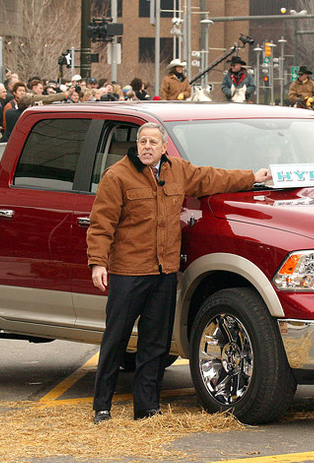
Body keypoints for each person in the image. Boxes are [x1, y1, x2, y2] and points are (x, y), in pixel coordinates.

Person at [86, 122, 270, 424]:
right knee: (116, 339)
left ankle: (147, 409)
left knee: (155, 343)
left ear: (163, 147)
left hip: (164, 272)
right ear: (136, 144)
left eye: (152, 142)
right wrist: (98, 262)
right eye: (142, 141)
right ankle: (102, 407)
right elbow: (101, 223)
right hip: (128, 271)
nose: (147, 147)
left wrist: (253, 177)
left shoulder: (178, 170)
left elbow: (213, 177)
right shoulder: (117, 175)